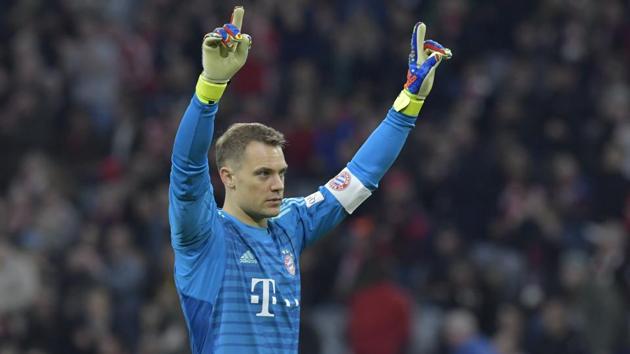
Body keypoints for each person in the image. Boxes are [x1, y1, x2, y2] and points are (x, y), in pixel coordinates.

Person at [168, 6, 452, 354]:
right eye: (263, 174)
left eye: (281, 173)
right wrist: (210, 87)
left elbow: (360, 176)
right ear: (228, 177)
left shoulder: (292, 222)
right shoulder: (202, 235)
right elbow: (186, 170)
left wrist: (410, 100)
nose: (277, 184)